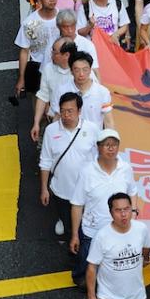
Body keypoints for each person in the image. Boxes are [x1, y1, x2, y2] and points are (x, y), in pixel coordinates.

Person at [69, 128, 138, 287]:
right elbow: (77, 204)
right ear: (98, 147)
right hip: (92, 230)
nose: (111, 148)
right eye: (106, 145)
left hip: (117, 229)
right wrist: (74, 235)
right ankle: (82, 280)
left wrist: (132, 214)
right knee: (85, 268)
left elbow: (133, 192)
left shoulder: (125, 168)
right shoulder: (87, 172)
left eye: (114, 144)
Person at [86, 192, 150, 299]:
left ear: (132, 209)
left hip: (137, 298)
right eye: (118, 210)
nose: (123, 214)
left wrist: (146, 259)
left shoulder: (141, 229)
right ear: (111, 213)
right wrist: (92, 298)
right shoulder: (102, 236)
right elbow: (91, 267)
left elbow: (146, 248)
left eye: (127, 209)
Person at [38, 91, 98, 239]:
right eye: (63, 111)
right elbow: (45, 161)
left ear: (79, 111)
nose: (66, 115)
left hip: (87, 190)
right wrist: (44, 188)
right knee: (70, 226)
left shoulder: (92, 129)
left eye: (70, 111)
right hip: (62, 191)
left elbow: (99, 157)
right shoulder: (51, 131)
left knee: (89, 226)